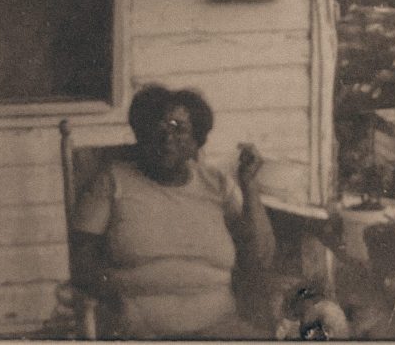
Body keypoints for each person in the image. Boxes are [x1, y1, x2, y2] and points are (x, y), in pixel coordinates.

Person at [69, 85, 276, 338]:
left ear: (196, 141)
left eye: (179, 128)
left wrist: (249, 184)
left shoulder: (217, 184)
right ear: (141, 134)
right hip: (141, 331)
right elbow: (81, 262)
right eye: (157, 127)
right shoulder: (113, 180)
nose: (167, 138)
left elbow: (260, 256)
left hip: (221, 328)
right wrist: (116, 304)